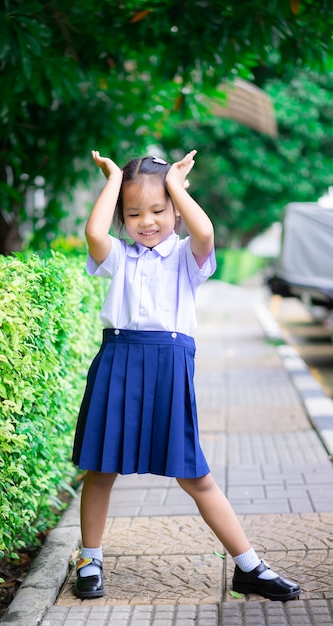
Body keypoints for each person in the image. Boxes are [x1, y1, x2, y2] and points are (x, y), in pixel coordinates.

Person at [71, 149, 300, 602]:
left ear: (176, 207)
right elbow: (94, 230)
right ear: (122, 215)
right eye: (134, 213)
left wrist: (174, 184)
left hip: (170, 366)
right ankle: (89, 559)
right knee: (100, 470)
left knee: (195, 476)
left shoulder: (187, 259)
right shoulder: (119, 256)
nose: (147, 221)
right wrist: (114, 178)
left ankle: (249, 566)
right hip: (117, 361)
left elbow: (206, 230)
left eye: (159, 210)